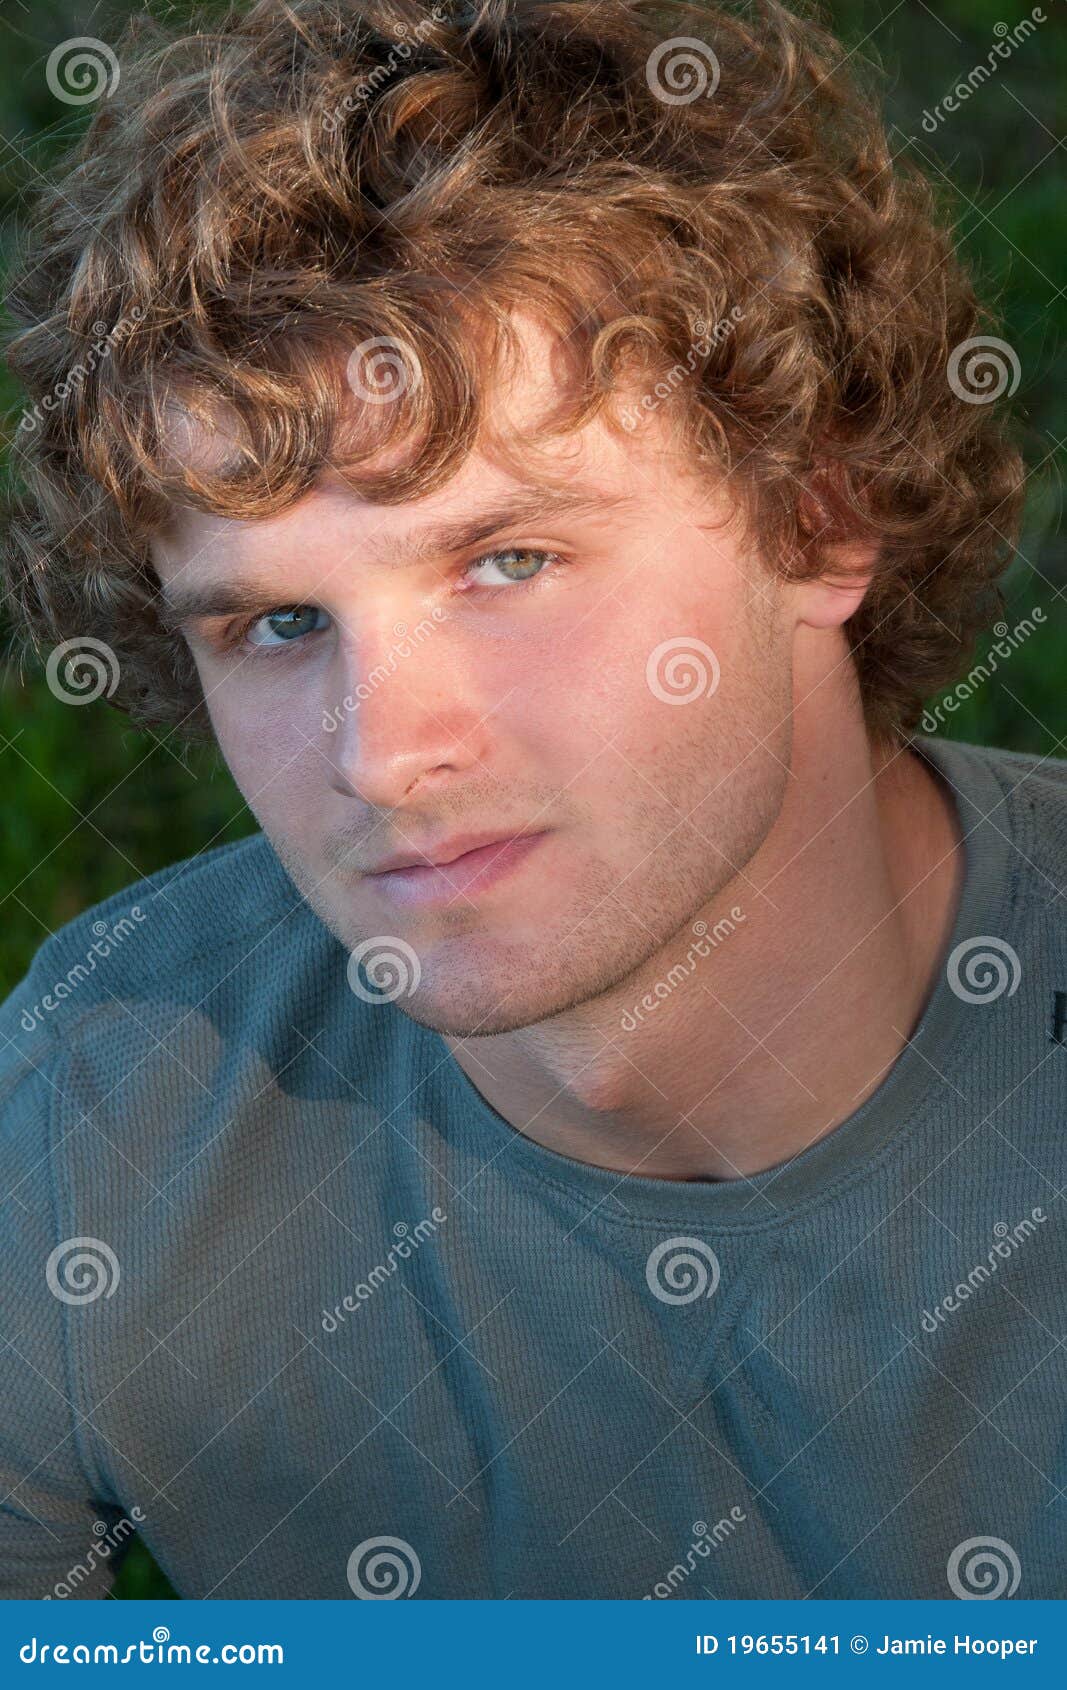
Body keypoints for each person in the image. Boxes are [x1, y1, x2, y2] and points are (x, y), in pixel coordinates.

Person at [1, 0, 1063, 1602]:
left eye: (509, 561)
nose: (381, 755)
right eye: (277, 624)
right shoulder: (107, 1123)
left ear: (819, 522)